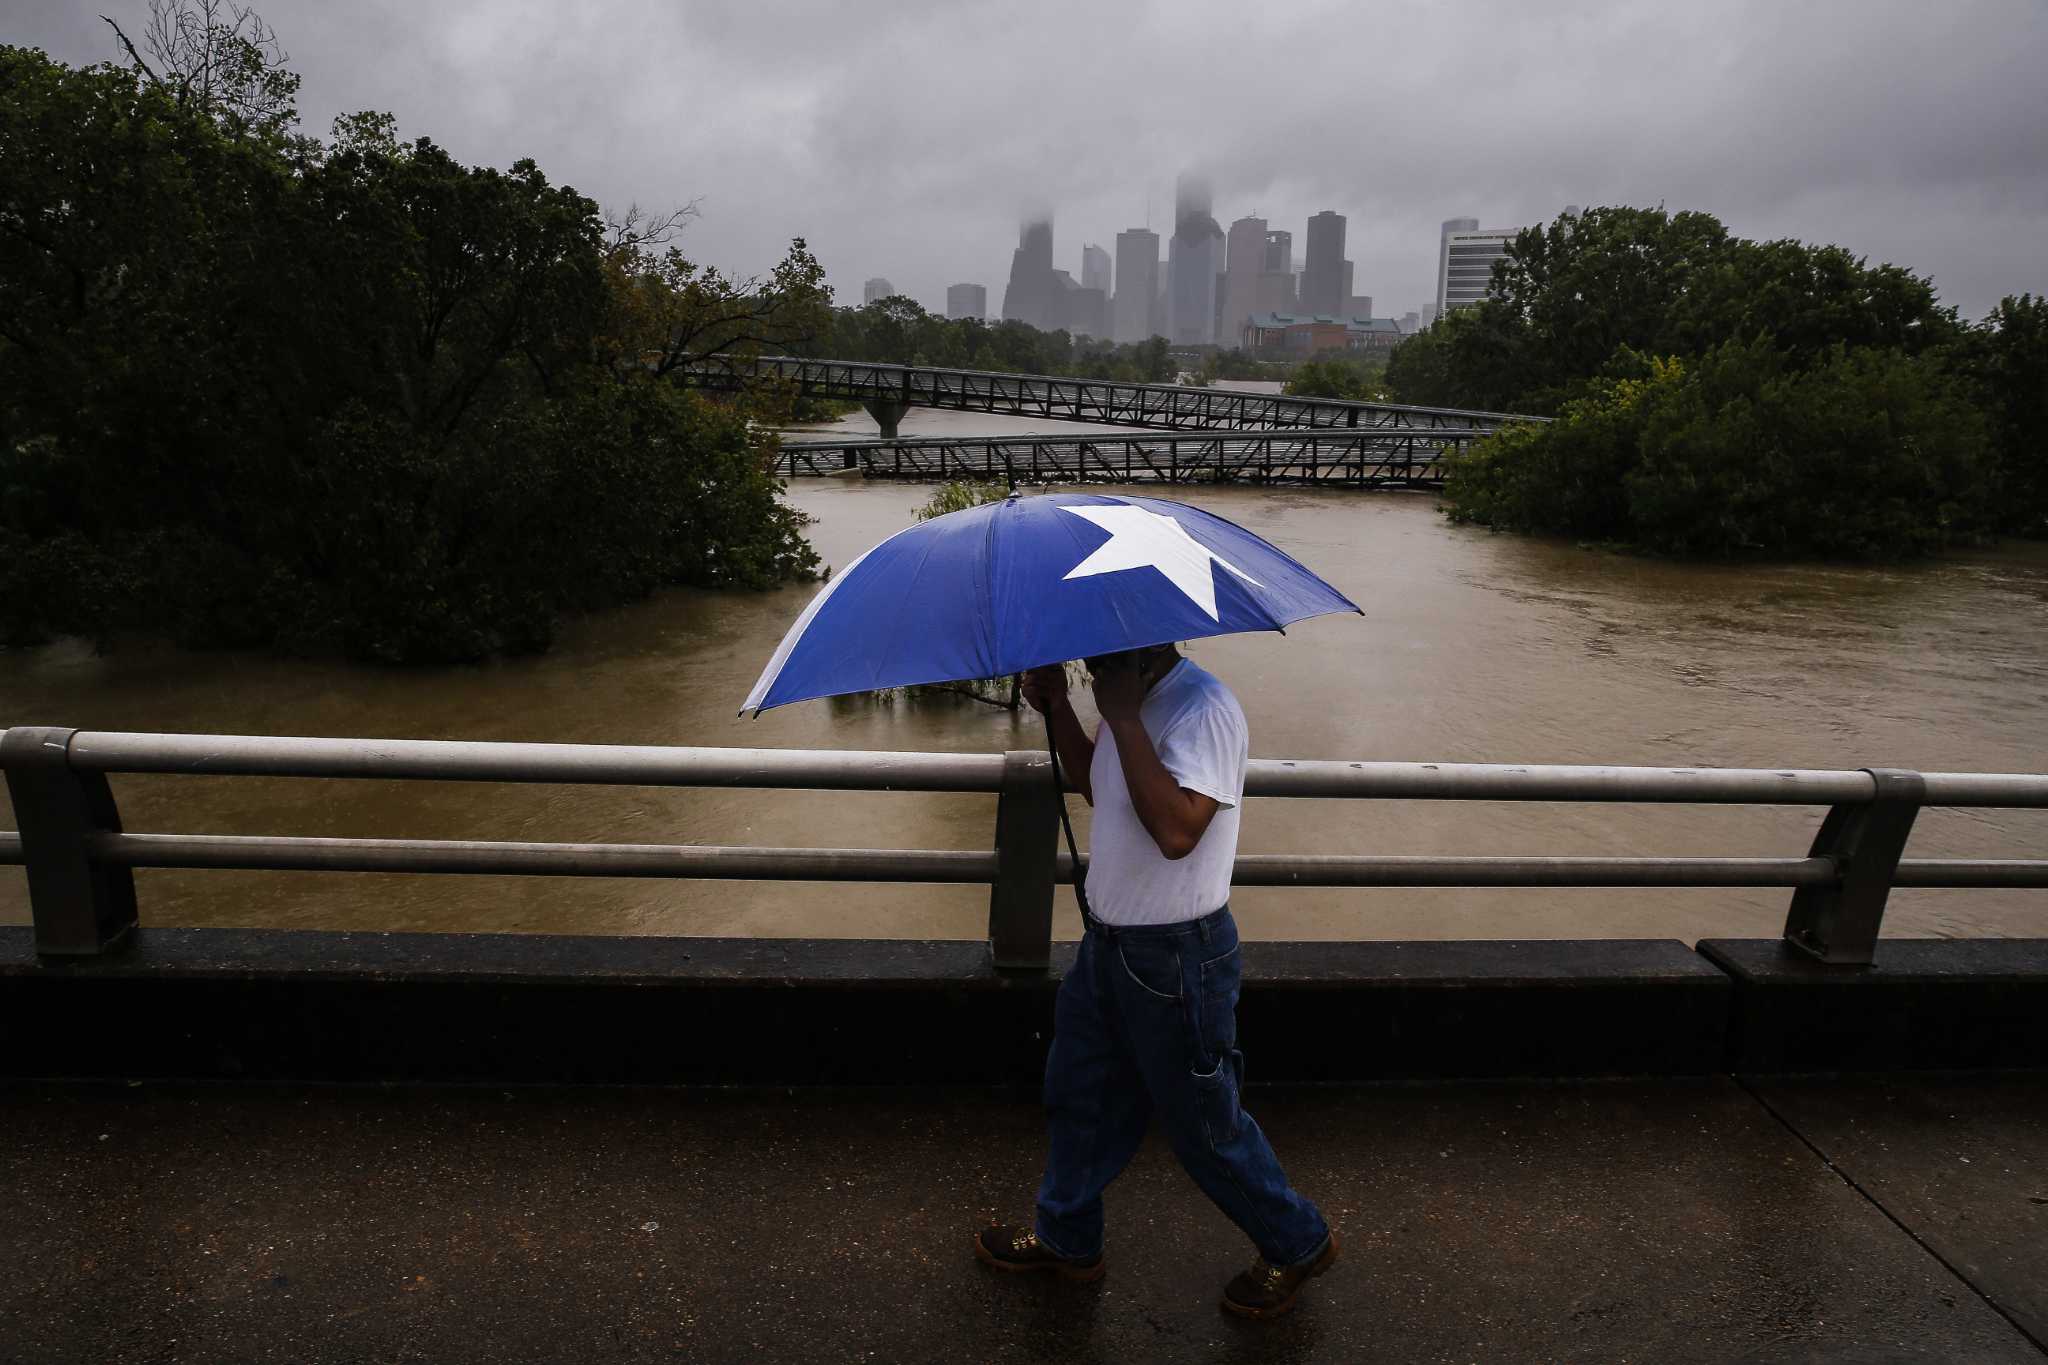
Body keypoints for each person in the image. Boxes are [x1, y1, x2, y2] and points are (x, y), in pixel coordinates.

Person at [972, 642, 1338, 1321]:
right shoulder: (1124, 692)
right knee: (1077, 1092)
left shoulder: (1204, 708)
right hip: (1107, 944)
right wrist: (1059, 710)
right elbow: (1098, 785)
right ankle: (1067, 1236)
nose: (1086, 652)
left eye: (1098, 640)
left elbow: (1176, 829)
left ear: (1146, 631)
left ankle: (1297, 1239)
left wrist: (1127, 718)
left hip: (1176, 958)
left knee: (1203, 1125)